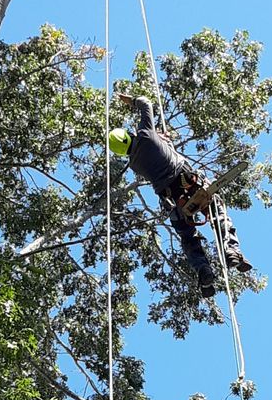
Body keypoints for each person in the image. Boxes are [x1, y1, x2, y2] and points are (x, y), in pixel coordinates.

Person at [108, 94, 253, 298]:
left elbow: (155, 153)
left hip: (173, 200)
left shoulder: (134, 164)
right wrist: (131, 100)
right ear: (129, 134)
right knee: (217, 210)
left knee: (187, 236)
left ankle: (203, 270)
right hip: (188, 182)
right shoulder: (145, 134)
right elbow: (146, 103)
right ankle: (231, 251)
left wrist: (163, 141)